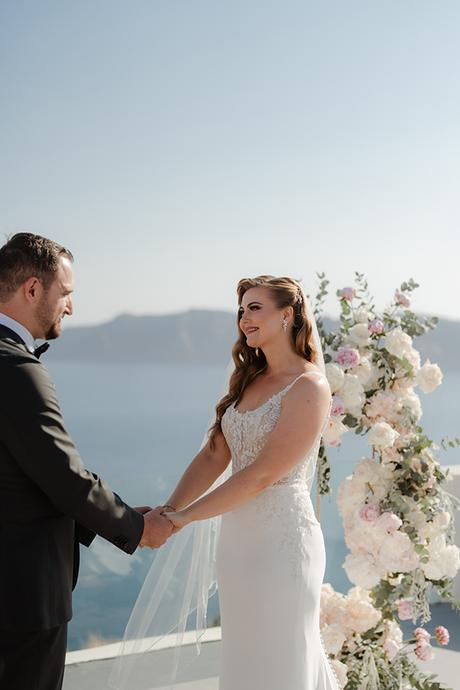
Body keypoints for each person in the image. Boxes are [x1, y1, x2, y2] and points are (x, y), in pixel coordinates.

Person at [113, 275, 342, 690]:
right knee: (245, 658)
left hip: (282, 546)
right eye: (241, 310)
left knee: (281, 658)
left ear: (287, 314)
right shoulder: (249, 381)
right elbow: (215, 454)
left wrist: (183, 519)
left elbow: (261, 475)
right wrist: (167, 509)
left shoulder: (310, 386)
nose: (244, 319)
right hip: (238, 544)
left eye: (255, 308)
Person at [0, 233, 173, 690]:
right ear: (32, 289)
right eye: (67, 293)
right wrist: (137, 529)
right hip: (22, 597)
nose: (71, 308)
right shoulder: (16, 369)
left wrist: (98, 521)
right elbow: (62, 475)